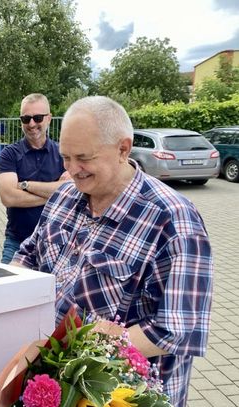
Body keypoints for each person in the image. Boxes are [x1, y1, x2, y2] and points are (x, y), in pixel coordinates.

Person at [12, 96, 213, 407]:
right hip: (52, 383)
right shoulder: (64, 196)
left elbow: (176, 330)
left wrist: (82, 347)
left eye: (83, 158)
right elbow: (29, 255)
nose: (72, 170)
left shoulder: (172, 219)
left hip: (123, 395)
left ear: (123, 149)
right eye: (65, 157)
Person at [0, 93, 68, 263]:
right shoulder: (9, 154)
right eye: (26, 118)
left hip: (56, 244)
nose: (31, 124)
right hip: (17, 242)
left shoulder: (64, 154)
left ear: (49, 118)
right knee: (7, 281)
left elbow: (70, 190)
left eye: (37, 118)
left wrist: (25, 185)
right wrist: (54, 193)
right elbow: (8, 197)